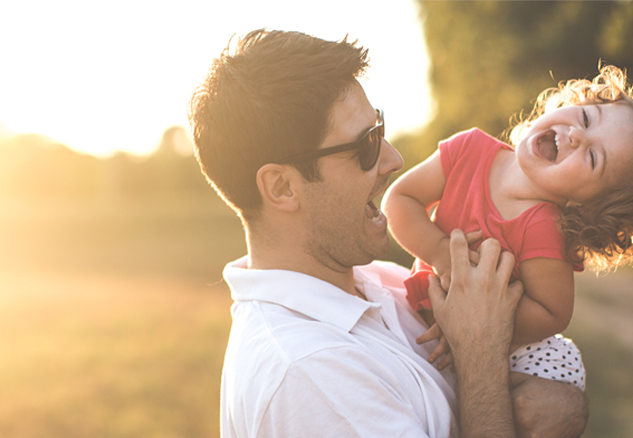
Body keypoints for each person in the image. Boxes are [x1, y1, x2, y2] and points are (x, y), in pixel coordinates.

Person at [189, 28, 587, 437]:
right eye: (365, 146)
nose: (394, 159)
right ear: (282, 188)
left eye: (378, 128)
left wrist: (567, 405)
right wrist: (480, 358)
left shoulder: (383, 283)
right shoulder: (308, 375)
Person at [383, 65, 633, 387]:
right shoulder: (468, 150)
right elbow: (401, 199)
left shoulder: (543, 228)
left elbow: (551, 313)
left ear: (588, 205)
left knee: (546, 388)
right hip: (416, 325)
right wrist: (442, 254)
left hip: (479, 358)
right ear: (574, 101)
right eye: (586, 118)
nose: (576, 135)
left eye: (592, 158)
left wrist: (473, 322)